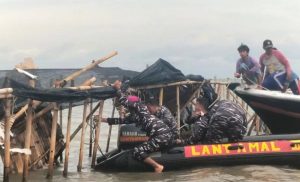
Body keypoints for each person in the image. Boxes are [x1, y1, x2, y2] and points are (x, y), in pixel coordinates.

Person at [112, 80, 173, 173]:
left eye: (129, 106)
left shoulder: (139, 106)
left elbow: (123, 101)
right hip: (164, 135)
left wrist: (118, 89)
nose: (127, 108)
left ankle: (157, 166)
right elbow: (123, 120)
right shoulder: (139, 114)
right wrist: (103, 119)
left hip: (161, 136)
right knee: (141, 147)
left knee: (137, 151)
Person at [183, 82, 247, 144]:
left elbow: (197, 136)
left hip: (221, 118)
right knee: (234, 140)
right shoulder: (223, 102)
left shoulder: (205, 115)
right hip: (241, 120)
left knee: (209, 143)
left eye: (196, 109)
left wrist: (185, 142)